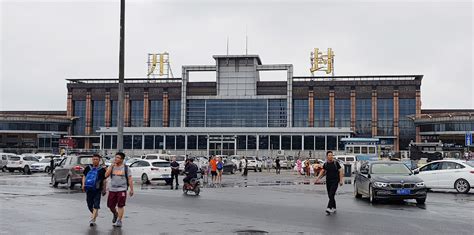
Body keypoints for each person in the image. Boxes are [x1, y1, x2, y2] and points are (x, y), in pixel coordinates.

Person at [105, 152, 134, 227]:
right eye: (115, 157)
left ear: (122, 159)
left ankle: (119, 220)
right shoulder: (112, 166)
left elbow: (130, 179)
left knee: (120, 205)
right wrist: (111, 166)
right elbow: (106, 175)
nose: (116, 159)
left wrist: (131, 189)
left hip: (122, 189)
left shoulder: (126, 168)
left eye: (118, 158)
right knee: (110, 206)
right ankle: (115, 213)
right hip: (112, 189)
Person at [82, 154, 107, 226]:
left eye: (97, 159)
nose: (95, 161)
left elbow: (104, 180)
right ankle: (94, 213)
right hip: (89, 188)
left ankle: (93, 219)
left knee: (96, 204)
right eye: (94, 159)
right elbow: (84, 176)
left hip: (97, 189)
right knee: (89, 204)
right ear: (92, 160)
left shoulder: (102, 170)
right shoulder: (88, 168)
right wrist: (83, 184)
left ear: (99, 161)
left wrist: (104, 189)